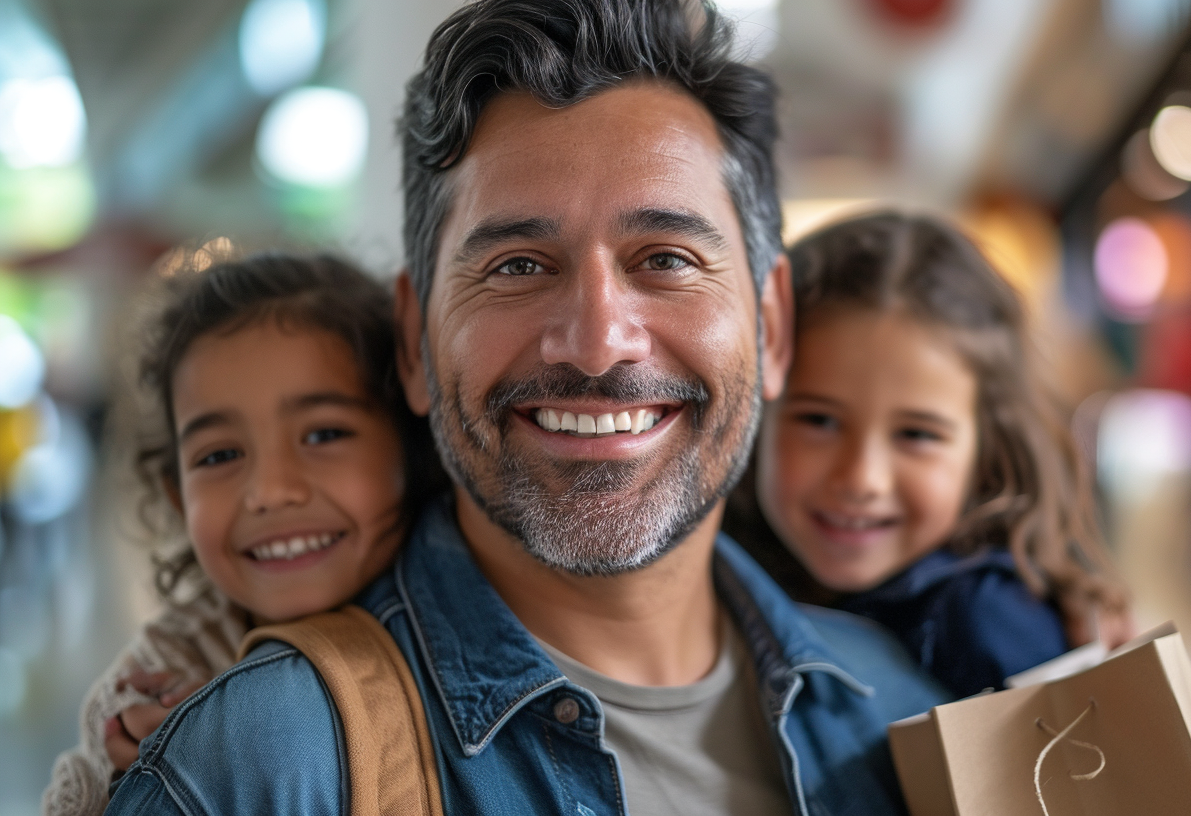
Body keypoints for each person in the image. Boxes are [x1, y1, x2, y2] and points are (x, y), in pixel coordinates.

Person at [104, 2, 948, 815]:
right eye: (515, 266)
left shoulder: (909, 716)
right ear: (413, 343)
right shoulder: (261, 770)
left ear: (771, 326)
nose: (595, 343)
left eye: (665, 258)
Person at [44, 253, 440, 815]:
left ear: (411, 447)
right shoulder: (171, 665)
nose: (270, 491)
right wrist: (126, 778)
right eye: (221, 454)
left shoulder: (464, 617)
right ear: (179, 498)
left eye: (324, 434)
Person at [727, 211, 1134, 699]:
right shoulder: (718, 574)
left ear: (988, 450)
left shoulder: (990, 628)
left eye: (916, 435)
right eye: (819, 420)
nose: (862, 478)